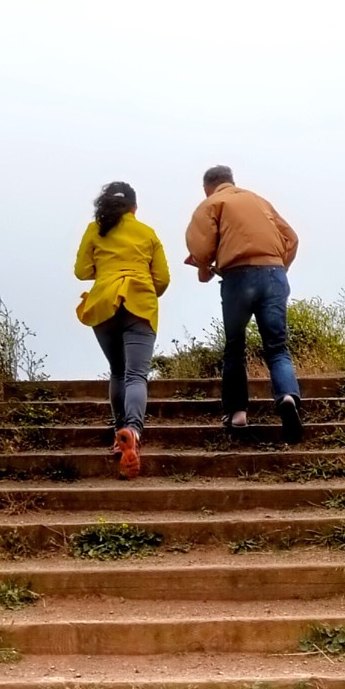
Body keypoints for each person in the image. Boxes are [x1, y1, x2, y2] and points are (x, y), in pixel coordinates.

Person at [185, 165, 303, 443]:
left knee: (235, 347)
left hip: (238, 277)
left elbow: (201, 249)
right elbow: (292, 238)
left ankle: (238, 413)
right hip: (274, 273)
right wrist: (276, 268)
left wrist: (204, 269)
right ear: (232, 181)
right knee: (277, 347)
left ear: (207, 187)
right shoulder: (259, 200)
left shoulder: (212, 203)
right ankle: (287, 397)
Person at [74, 181, 170, 480]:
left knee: (117, 371)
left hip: (104, 304)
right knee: (136, 375)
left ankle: (120, 435)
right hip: (139, 303)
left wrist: (105, 271)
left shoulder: (95, 230)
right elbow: (163, 278)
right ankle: (133, 431)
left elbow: (81, 271)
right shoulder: (147, 233)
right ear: (134, 207)